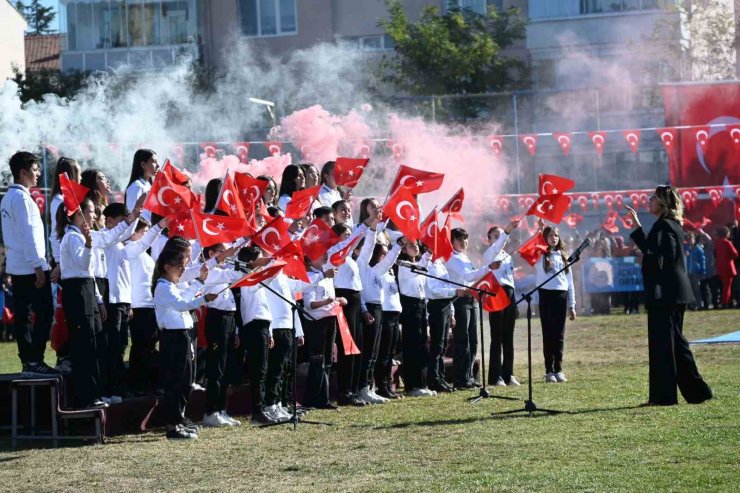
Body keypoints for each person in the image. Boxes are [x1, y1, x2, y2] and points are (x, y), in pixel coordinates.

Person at [625, 185, 713, 406]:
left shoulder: (664, 226)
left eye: (652, 198)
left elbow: (663, 258)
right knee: (675, 344)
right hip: (672, 292)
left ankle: (664, 397)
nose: (649, 201)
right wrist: (637, 228)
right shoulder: (668, 224)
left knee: (663, 346)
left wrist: (646, 259)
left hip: (666, 293)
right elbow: (655, 251)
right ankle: (697, 391)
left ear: (663, 203)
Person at [0, 151, 56, 377]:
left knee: (23, 316)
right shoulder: (22, 199)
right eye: (34, 170)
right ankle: (34, 359)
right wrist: (38, 265)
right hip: (29, 266)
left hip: (17, 265)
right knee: (44, 312)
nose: (38, 174)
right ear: (22, 172)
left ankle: (28, 362)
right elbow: (28, 234)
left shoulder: (7, 197)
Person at [152, 248, 216, 440]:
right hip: (172, 338)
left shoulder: (171, 285)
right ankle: (172, 425)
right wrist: (203, 298)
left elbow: (185, 299)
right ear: (167, 266)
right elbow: (181, 304)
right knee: (176, 382)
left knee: (185, 381)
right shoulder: (162, 286)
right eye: (179, 267)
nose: (182, 270)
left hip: (181, 336)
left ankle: (179, 418)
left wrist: (199, 282)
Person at [57, 197, 106, 408]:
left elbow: (91, 272)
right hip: (76, 292)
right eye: (91, 211)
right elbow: (83, 263)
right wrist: (87, 244)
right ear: (79, 214)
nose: (94, 215)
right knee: (84, 344)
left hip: (87, 290)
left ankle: (94, 392)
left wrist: (99, 300)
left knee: (94, 342)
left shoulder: (81, 237)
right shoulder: (72, 237)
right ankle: (86, 397)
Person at [200, 242, 245, 427]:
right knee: (216, 366)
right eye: (222, 252)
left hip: (228, 318)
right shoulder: (210, 272)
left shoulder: (223, 270)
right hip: (216, 319)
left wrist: (234, 330)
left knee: (226, 367)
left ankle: (221, 409)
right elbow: (236, 275)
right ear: (211, 253)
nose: (227, 255)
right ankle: (210, 411)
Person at [446, 228, 497, 389]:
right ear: (452, 241)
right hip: (460, 300)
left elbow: (473, 275)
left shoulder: (464, 257)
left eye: (465, 239)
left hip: (471, 298)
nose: (463, 242)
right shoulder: (451, 258)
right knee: (463, 340)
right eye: (459, 239)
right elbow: (468, 276)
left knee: (473, 340)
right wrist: (489, 267)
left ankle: (468, 376)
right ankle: (461, 378)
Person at [302, 251, 344, 410]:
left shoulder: (325, 275)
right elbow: (309, 305)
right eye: (320, 254)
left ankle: (324, 399)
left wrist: (338, 300)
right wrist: (326, 301)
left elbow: (330, 297)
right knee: (317, 361)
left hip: (330, 319)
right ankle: (312, 399)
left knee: (327, 361)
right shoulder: (310, 277)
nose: (325, 256)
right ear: (310, 259)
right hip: (317, 322)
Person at [536, 225, 576, 383]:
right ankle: (549, 370)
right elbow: (534, 245)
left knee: (559, 335)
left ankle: (558, 369)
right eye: (551, 235)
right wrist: (539, 230)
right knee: (548, 334)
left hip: (561, 295)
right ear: (545, 238)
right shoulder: (540, 255)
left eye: (556, 235)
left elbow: (570, 283)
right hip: (545, 294)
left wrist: (572, 305)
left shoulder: (564, 257)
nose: (554, 238)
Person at [483, 220, 521, 387]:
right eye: (495, 236)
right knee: (497, 336)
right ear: (489, 240)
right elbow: (498, 246)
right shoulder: (490, 253)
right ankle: (495, 376)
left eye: (501, 236)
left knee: (509, 337)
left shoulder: (508, 256)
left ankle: (508, 373)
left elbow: (511, 279)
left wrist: (515, 301)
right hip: (496, 294)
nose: (499, 239)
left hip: (509, 293)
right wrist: (507, 230)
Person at [396, 241, 435, 397]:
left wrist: (428, 254)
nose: (415, 247)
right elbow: (422, 268)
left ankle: (422, 383)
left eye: (416, 245)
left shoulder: (416, 264)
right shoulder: (403, 264)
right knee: (413, 344)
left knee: (422, 344)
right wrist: (428, 254)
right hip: (410, 306)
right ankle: (413, 385)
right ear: (404, 249)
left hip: (420, 304)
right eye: (411, 245)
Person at [125, 149, 158, 223]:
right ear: (143, 165)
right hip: (141, 232)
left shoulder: (148, 185)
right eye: (154, 162)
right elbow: (132, 213)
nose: (158, 165)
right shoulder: (136, 186)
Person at [714, 226, 738, 309]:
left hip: (720, 267)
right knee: (727, 287)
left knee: (724, 286)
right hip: (728, 267)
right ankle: (725, 302)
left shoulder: (717, 242)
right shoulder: (727, 242)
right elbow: (735, 253)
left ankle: (725, 301)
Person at [685, 232, 706, 311]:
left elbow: (702, 260)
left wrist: (703, 271)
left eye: (691, 239)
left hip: (695, 272)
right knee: (690, 290)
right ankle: (692, 305)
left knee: (696, 289)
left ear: (694, 239)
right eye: (688, 239)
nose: (690, 240)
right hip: (688, 272)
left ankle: (699, 304)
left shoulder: (698, 249)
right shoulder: (686, 248)